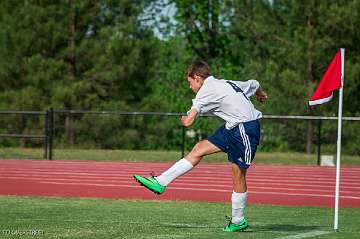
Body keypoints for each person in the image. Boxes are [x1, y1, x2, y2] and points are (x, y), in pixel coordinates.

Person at [134, 60, 268, 232]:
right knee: (199, 148)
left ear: (197, 78)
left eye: (190, 83)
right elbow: (254, 83)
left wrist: (187, 120)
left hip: (245, 128)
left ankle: (238, 220)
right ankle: (160, 182)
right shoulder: (225, 82)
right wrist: (260, 93)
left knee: (238, 175)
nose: (190, 87)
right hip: (233, 126)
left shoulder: (206, 90)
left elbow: (192, 114)